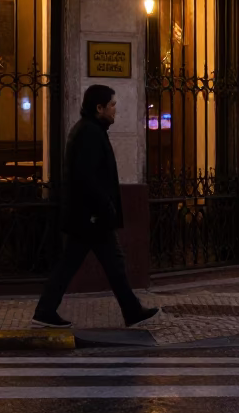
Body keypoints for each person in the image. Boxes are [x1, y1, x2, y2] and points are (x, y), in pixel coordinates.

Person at [31, 85, 160, 330]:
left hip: (89, 216)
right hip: (90, 217)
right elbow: (86, 177)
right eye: (112, 106)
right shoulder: (89, 133)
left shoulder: (91, 130)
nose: (115, 111)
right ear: (99, 108)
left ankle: (47, 310)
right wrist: (103, 207)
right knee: (105, 264)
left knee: (102, 264)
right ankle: (130, 311)